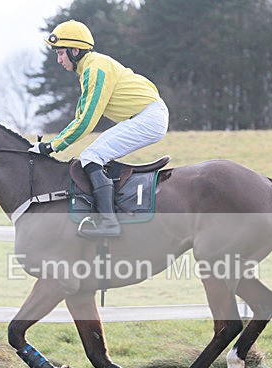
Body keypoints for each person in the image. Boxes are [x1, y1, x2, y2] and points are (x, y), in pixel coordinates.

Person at [29, 20, 169, 239]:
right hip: (145, 115)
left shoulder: (95, 69)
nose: (58, 60)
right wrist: (52, 144)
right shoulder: (90, 68)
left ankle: (109, 223)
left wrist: (51, 146)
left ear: (75, 51)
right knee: (95, 155)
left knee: (92, 155)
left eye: (61, 53)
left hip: (148, 118)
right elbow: (80, 116)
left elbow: (85, 122)